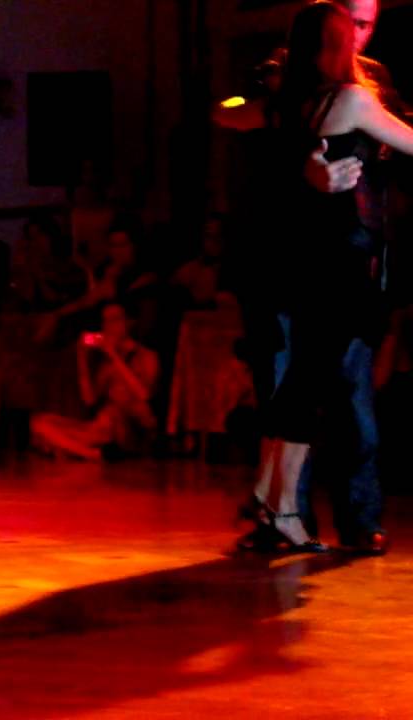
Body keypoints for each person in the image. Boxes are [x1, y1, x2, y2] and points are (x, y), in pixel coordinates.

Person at [214, 1, 413, 551]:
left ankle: (269, 496)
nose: (361, 37)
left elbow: (236, 118)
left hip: (309, 260)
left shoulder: (290, 101)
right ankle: (281, 509)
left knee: (301, 384)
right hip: (343, 263)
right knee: (309, 387)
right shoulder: (351, 97)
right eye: (352, 28)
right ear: (336, 40)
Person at [31, 301, 158, 461]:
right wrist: (81, 358)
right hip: (101, 428)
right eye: (105, 322)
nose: (109, 326)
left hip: (130, 426)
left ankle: (69, 448)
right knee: (39, 423)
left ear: (129, 322)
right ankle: (91, 454)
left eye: (114, 320)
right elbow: (89, 400)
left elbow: (145, 394)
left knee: (110, 417)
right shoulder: (106, 364)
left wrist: (114, 356)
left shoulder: (148, 356)